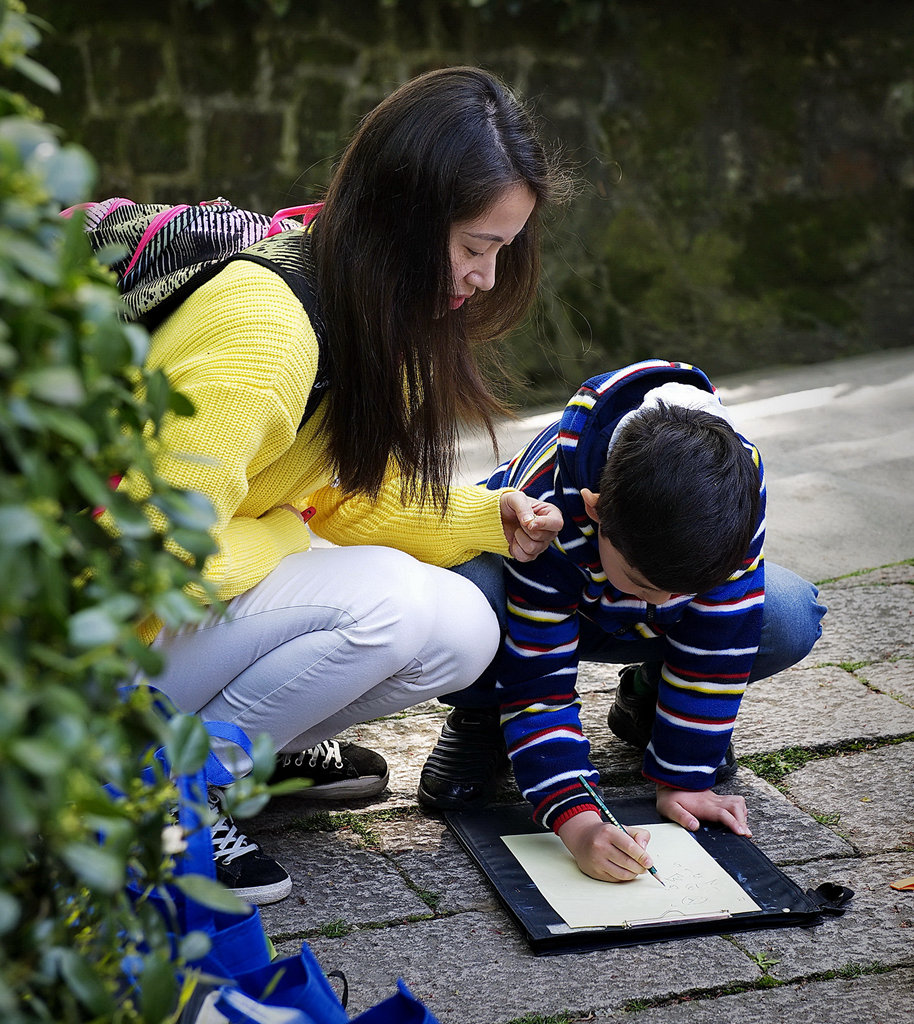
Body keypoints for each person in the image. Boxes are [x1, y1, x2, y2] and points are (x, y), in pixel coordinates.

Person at [127, 67, 568, 904]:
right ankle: (149, 791)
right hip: (76, 654)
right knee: (390, 609)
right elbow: (139, 566)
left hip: (165, 620)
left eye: (501, 253)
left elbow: (350, 493)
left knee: (463, 627)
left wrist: (486, 517)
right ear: (403, 215)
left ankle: (265, 753)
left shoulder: (371, 308)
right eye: (476, 247)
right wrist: (289, 532)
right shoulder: (265, 336)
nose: (484, 278)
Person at [418, 358, 826, 883]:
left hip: (617, 609)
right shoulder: (551, 505)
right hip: (526, 600)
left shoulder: (735, 486)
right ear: (596, 509)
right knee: (471, 602)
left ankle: (650, 699)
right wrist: (577, 820)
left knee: (785, 615)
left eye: (684, 591)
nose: (665, 601)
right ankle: (481, 714)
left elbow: (720, 641)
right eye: (646, 583)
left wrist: (684, 778)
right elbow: (538, 675)